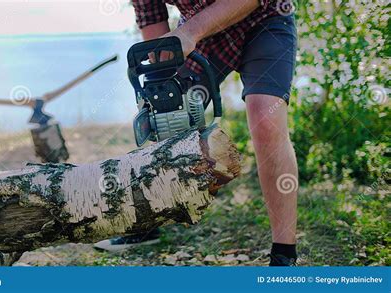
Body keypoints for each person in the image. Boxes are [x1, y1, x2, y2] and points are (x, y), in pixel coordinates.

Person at [94, 0, 298, 266]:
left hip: (265, 20)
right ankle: (148, 223)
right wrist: (162, 79)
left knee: (266, 120)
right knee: (165, 112)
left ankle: (284, 253)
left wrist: (189, 33)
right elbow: (151, 17)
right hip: (204, 33)